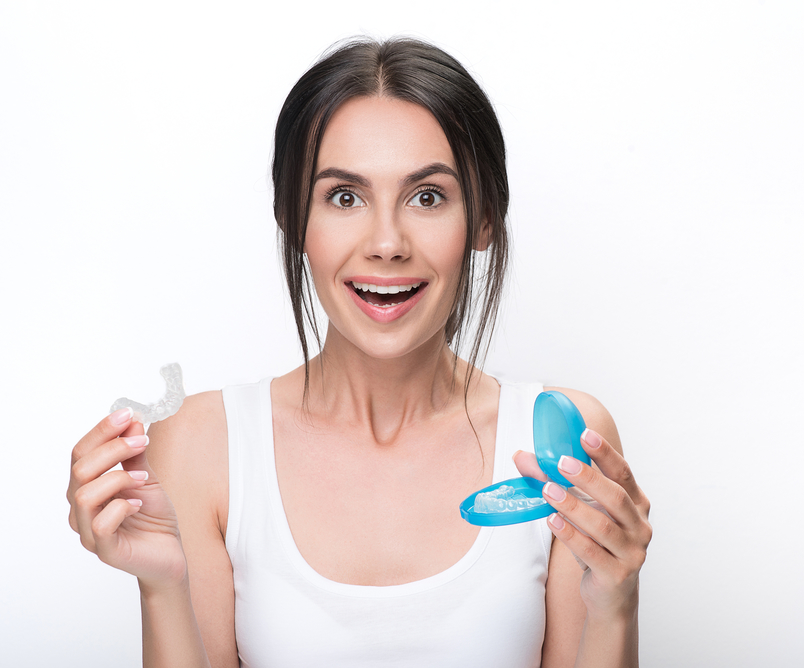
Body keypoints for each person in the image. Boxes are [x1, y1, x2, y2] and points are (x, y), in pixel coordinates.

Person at [67, 37, 652, 667]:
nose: (386, 243)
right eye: (345, 197)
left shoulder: (560, 438)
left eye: (427, 196)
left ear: (483, 219)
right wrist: (161, 589)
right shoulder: (202, 447)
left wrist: (615, 603)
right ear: (294, 219)